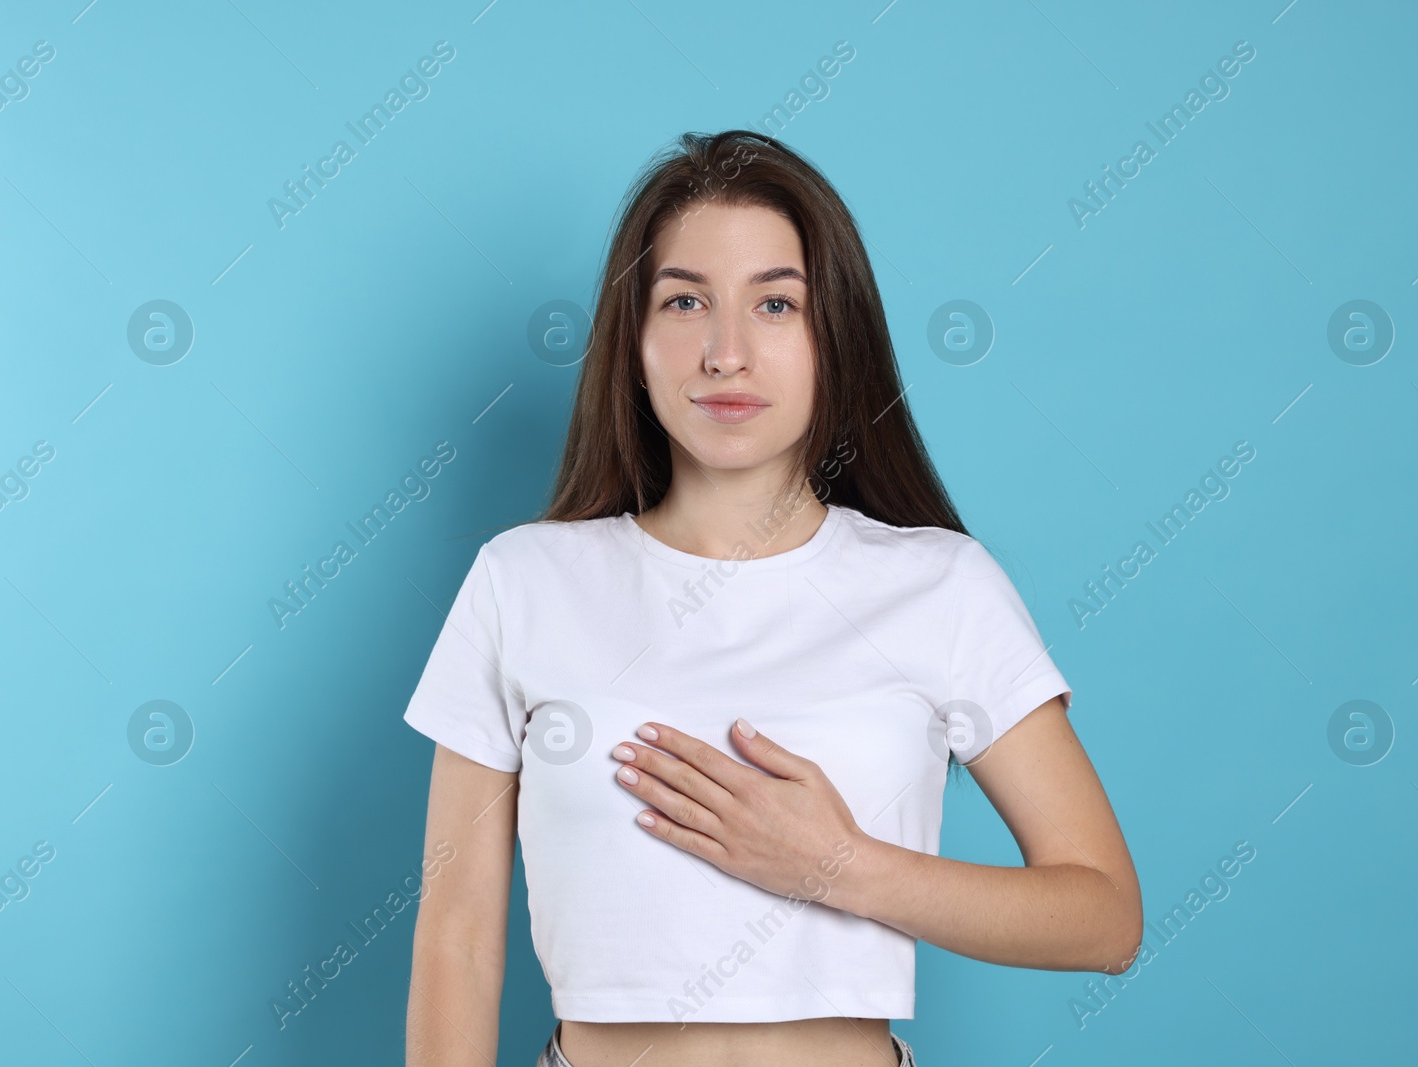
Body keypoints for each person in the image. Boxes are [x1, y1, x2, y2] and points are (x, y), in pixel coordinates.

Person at [402, 129, 1142, 1067]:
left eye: (776, 304)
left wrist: (838, 864)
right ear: (631, 340)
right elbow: (456, 938)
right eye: (684, 301)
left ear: (835, 334)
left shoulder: (941, 584)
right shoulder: (523, 579)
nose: (726, 352)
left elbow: (1104, 915)